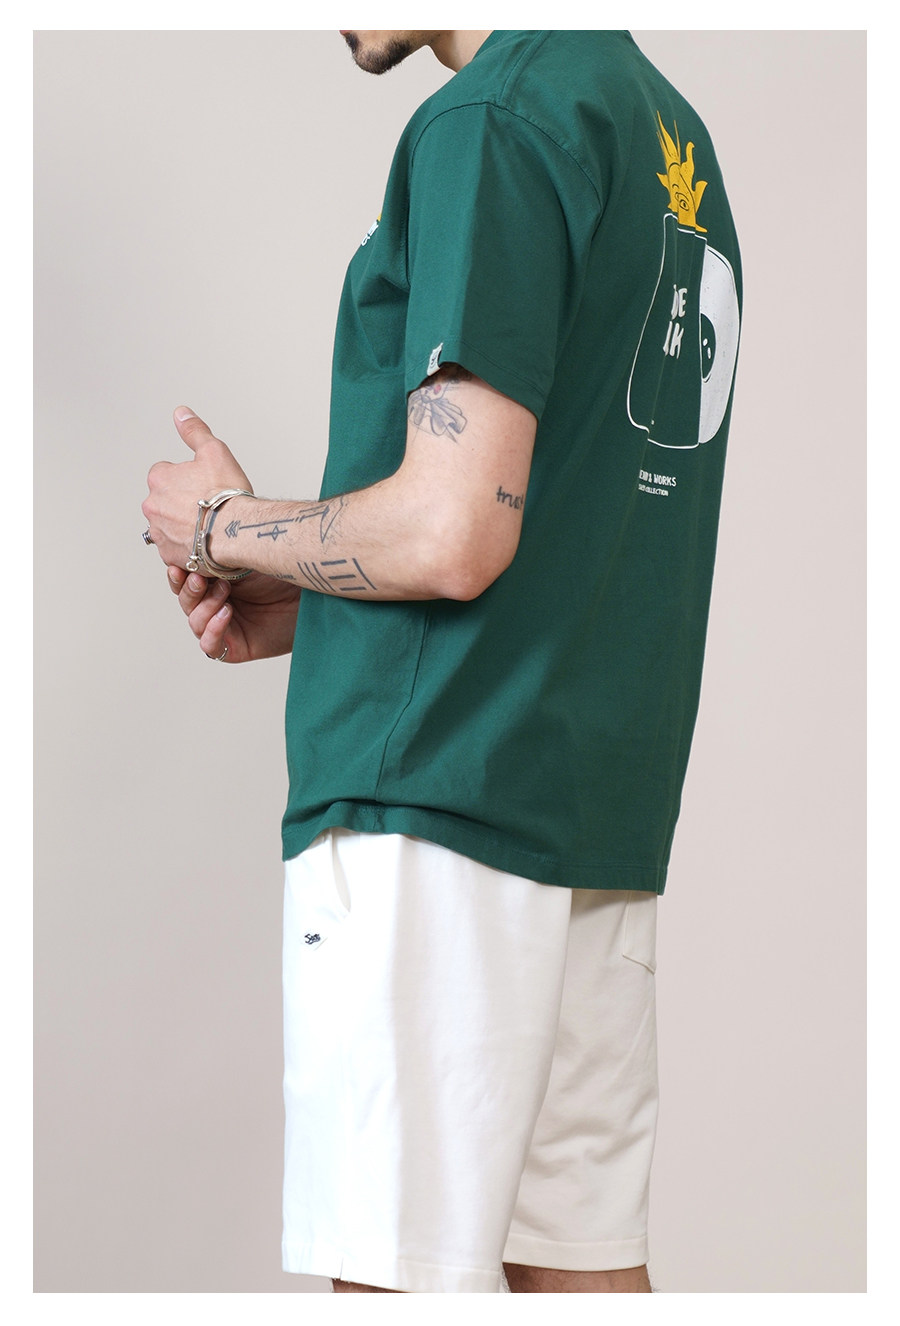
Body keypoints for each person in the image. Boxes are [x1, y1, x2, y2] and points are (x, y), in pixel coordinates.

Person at [142, 29, 741, 1294]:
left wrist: (219, 527)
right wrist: (310, 597)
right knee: (580, 1273)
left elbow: (455, 530)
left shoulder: (493, 120)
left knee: (400, 1284)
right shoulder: (666, 136)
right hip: (586, 819)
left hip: (437, 814)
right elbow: (563, 514)